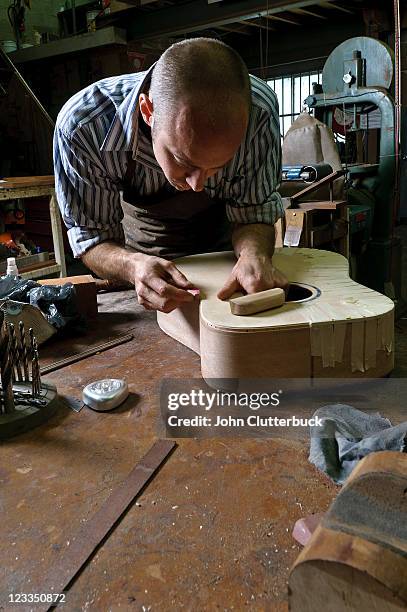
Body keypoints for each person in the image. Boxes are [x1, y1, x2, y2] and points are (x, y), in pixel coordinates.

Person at [54, 37, 287, 313]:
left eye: (218, 166)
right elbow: (91, 237)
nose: (197, 184)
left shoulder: (258, 114)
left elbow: (254, 209)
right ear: (148, 111)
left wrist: (253, 253)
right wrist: (132, 266)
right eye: (182, 160)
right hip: (144, 262)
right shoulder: (84, 128)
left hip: (225, 261)